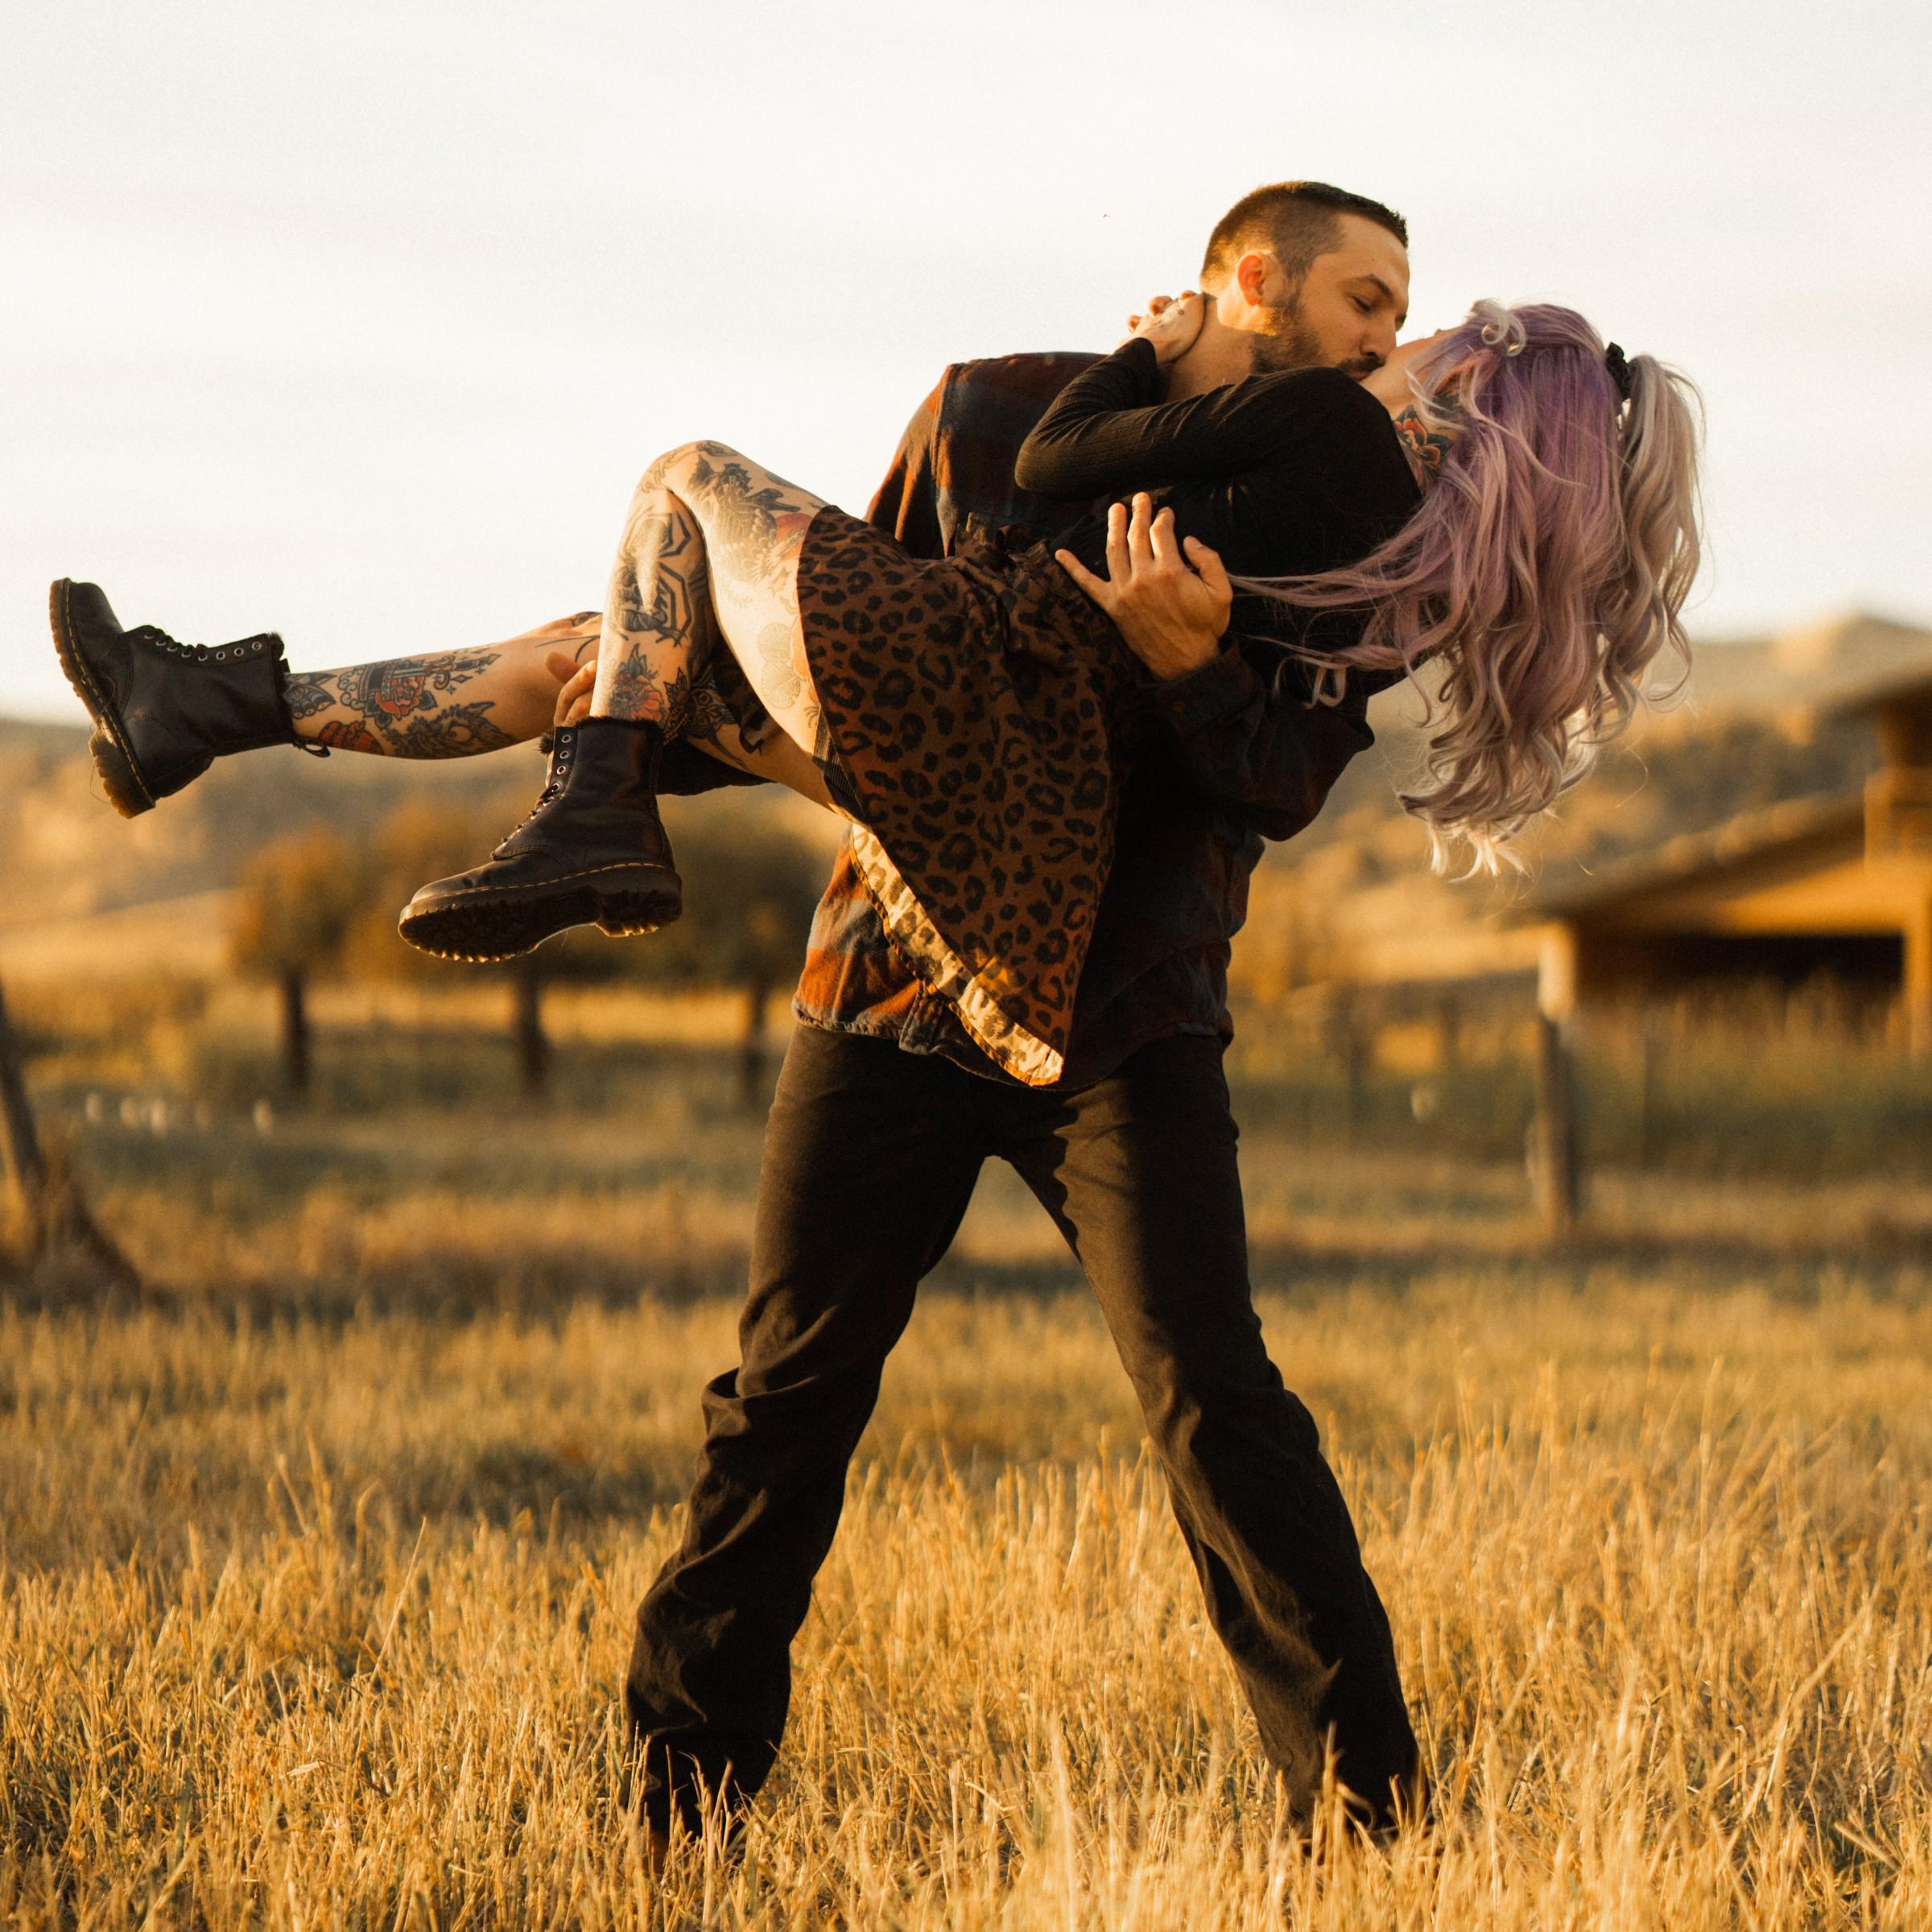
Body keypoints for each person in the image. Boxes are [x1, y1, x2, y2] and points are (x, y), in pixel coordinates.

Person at [48, 181, 1703, 1839]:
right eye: (1372, 301)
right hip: (894, 982)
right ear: (1251, 284)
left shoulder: (1370, 550)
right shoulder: (998, 413)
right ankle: (679, 1811)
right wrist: (693, 723)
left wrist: (1193, 665)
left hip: (1124, 1014)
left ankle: (1369, 1816)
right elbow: (867, 673)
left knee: (1217, 1405)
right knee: (783, 1398)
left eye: (1408, 318)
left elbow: (1271, 784)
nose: (1393, 337)